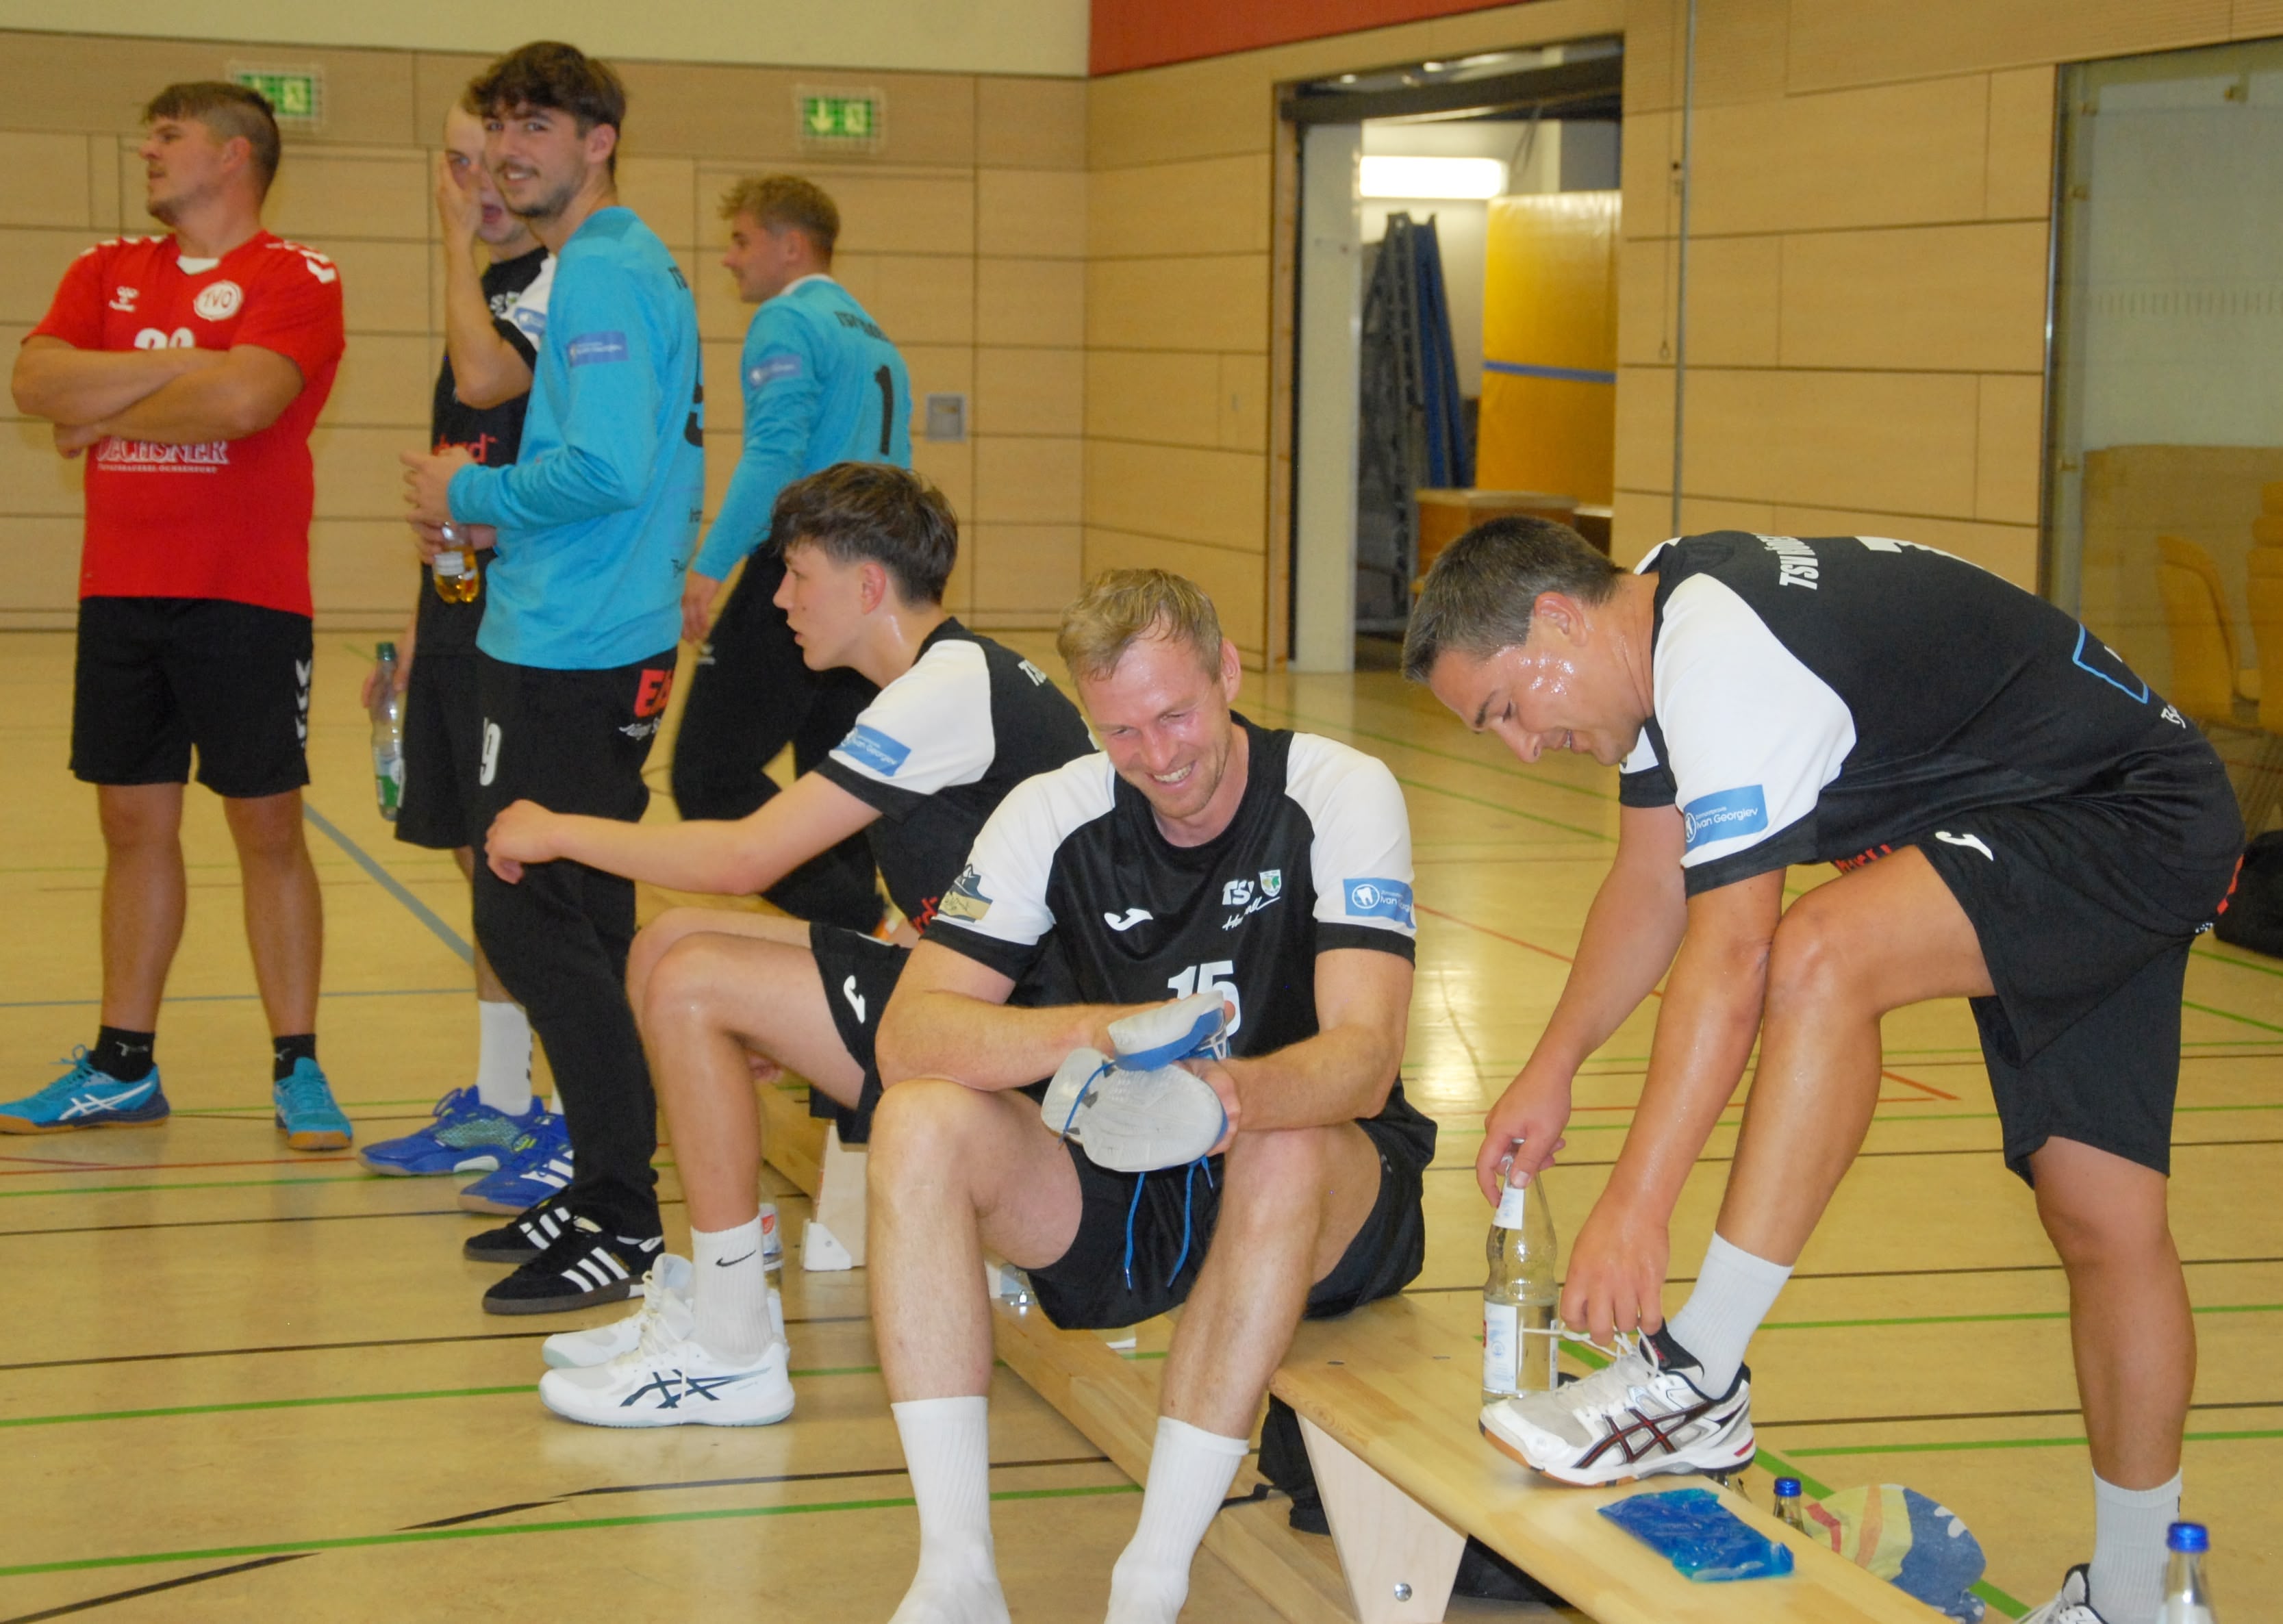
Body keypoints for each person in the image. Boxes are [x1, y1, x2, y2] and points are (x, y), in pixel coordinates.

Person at [1404, 521, 2242, 1624]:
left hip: (2121, 815)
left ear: (1557, 619)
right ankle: (2138, 1600)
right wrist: (1551, 1065)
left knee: (1819, 953)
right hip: (2088, 809)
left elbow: (1731, 958)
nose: (1521, 747)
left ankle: (1698, 1374)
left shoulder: (1719, 654)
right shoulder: (1655, 621)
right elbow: (1651, 884)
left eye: (1508, 707)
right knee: (2103, 1218)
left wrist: (1637, 1205)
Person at [864, 570, 1435, 1624]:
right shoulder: (1054, 812)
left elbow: (1362, 1059)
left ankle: (1150, 1580)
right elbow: (910, 1038)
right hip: (1129, 1174)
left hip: (1325, 1183)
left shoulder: (1337, 791)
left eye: (1175, 716)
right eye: (1120, 731)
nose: (1156, 757)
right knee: (917, 1121)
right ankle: (955, 1573)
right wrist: (1102, 1034)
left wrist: (1225, 1099)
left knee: (1283, 1146)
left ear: (1228, 674)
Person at [480, 462, 1093, 1426]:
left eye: (798, 576)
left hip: (1029, 1062)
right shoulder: (948, 678)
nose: (778, 600)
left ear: (868, 585)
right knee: (670, 941)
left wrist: (555, 829)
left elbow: (744, 856)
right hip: (983, 1004)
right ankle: (719, 1288)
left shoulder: (942, 691)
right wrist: (792, 1010)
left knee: (691, 981)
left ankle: (733, 1349)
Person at [400, 40, 703, 1315]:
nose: (511, 149)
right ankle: (603, 1185)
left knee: (531, 918)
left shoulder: (607, 271)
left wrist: (468, 493)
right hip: (562, 628)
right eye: (502, 127)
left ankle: (622, 1216)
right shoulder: (596, 265)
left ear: (599, 142)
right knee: (574, 919)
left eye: (538, 127)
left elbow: (609, 469)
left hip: (583, 643)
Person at [3, 82, 348, 1147]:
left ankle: (297, 1064)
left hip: (246, 594)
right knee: (130, 825)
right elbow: (35, 383)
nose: (146, 150)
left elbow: (249, 402)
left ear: (234, 154)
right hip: (120, 590)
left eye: (169, 134)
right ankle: (122, 1066)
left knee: (266, 827)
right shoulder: (103, 269)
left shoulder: (297, 275)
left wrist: (102, 410)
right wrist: (193, 366)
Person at [356, 97, 557, 1188]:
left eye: (495, 163)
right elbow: (451, 482)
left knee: (518, 866)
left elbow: (489, 386)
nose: (477, 185)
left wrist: (447, 237)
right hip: (457, 614)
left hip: (530, 625)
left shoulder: (548, 291)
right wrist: (412, 634)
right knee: (475, 859)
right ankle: (500, 1099)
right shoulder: (482, 293)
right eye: (457, 164)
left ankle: (561, 1110)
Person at [670, 175, 915, 937]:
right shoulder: (872, 334)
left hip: (801, 576)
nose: (729, 258)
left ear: (792, 245)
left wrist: (710, 565)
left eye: (742, 240)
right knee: (835, 782)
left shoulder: (787, 319)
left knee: (708, 776)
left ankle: (864, 921)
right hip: (871, 584)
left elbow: (775, 453)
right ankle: (856, 957)